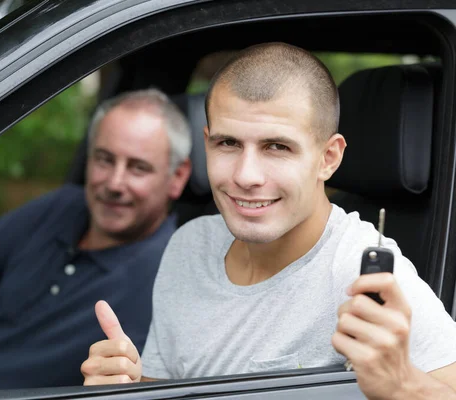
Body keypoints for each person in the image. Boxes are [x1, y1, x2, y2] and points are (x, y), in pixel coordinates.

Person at [81, 43, 456, 398]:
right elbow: (169, 387)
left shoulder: (361, 271)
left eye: (277, 147)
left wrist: (403, 385)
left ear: (328, 158)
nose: (246, 175)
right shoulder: (190, 245)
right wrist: (127, 386)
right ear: (207, 142)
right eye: (228, 144)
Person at [0, 88, 192, 389]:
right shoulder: (61, 208)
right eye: (104, 159)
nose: (114, 183)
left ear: (176, 178)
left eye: (138, 168)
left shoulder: (174, 277)